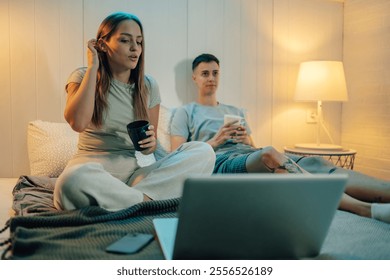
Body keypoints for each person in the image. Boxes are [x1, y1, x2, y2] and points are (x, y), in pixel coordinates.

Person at [170, 53, 390, 223]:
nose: (211, 78)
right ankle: (364, 209)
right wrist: (215, 142)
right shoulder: (186, 112)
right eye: (205, 73)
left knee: (315, 162)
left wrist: (247, 141)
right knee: (270, 154)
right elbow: (176, 157)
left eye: (215, 73)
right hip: (221, 160)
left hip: (248, 154)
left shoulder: (235, 110)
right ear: (195, 78)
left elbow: (255, 148)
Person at [53, 13, 215, 211]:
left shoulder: (148, 86)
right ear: (102, 45)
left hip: (136, 177)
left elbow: (149, 147)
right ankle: (144, 202)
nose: (135, 49)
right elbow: (77, 123)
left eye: (139, 42)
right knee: (70, 181)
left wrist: (151, 145)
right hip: (92, 172)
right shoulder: (82, 76)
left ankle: (133, 200)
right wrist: (93, 66)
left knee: (203, 151)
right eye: (125, 40)